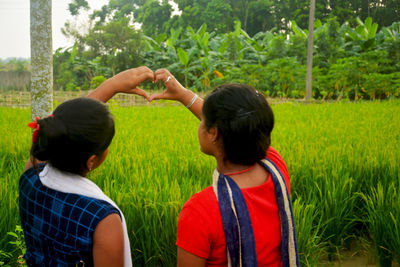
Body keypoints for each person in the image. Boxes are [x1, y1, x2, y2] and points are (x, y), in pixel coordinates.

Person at [150, 69, 300, 267]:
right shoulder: (276, 166)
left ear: (213, 132)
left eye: (204, 120)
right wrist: (183, 95)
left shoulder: (199, 211)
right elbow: (243, 125)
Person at [20, 67, 154, 267]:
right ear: (91, 160)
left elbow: (62, 126)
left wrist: (112, 85)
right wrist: (113, 85)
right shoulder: (103, 219)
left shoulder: (31, 178)